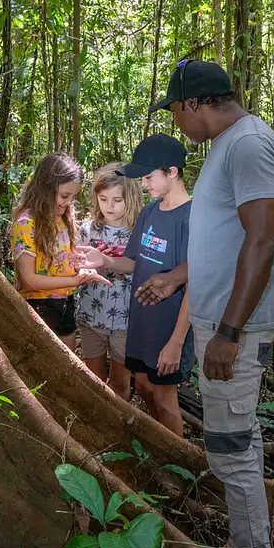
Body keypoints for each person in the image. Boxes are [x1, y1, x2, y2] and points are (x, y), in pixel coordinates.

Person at [145, 59, 274, 548]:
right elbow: (225, 238)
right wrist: (178, 277)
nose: (176, 123)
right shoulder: (227, 148)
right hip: (219, 318)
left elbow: (263, 238)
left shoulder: (249, 145)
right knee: (234, 437)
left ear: (193, 105)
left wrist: (229, 332)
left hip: (237, 327)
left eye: (175, 112)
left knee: (229, 446)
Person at [74, 134, 193, 436]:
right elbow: (134, 262)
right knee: (143, 387)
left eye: (149, 177)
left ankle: (178, 463)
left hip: (168, 328)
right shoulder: (151, 213)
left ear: (172, 172)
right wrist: (104, 261)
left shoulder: (192, 217)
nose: (144, 184)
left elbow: (198, 281)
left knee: (165, 398)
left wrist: (177, 342)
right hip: (140, 324)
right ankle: (160, 449)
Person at [11, 152, 110, 352]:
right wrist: (75, 281)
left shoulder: (63, 219)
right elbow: (30, 279)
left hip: (66, 302)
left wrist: (80, 267)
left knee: (67, 367)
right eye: (64, 196)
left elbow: (62, 264)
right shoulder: (26, 223)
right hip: (38, 306)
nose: (67, 203)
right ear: (45, 188)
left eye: (72, 197)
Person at [74, 164, 142, 400]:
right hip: (91, 315)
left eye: (117, 200)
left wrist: (109, 262)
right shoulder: (87, 230)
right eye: (103, 199)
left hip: (126, 319)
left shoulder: (138, 232)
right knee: (94, 379)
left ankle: (120, 422)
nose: (109, 206)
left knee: (121, 381)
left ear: (130, 198)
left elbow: (141, 268)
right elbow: (75, 266)